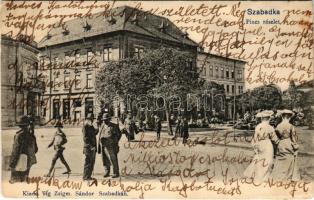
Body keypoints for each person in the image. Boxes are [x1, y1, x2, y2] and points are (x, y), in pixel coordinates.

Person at [243, 110, 279, 184]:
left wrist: (255, 146)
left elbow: (255, 137)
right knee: (268, 160)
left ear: (262, 119)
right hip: (267, 144)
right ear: (268, 118)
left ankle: (257, 175)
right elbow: (274, 138)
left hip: (260, 143)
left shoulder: (258, 126)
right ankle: (264, 176)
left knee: (259, 159)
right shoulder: (270, 127)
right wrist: (279, 142)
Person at [271, 109, 300, 181]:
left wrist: (278, 142)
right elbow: (293, 137)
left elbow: (276, 137)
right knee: (289, 158)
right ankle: (288, 175)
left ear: (282, 117)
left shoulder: (278, 126)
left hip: (281, 143)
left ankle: (278, 174)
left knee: (280, 158)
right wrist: (295, 146)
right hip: (288, 143)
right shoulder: (291, 126)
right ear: (289, 117)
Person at [9, 115, 37, 183]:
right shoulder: (31, 135)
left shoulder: (19, 135)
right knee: (25, 179)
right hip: (29, 161)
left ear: (20, 126)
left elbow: (16, 150)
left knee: (17, 182)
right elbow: (35, 150)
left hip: (19, 161)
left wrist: (12, 163)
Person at [99, 113, 122, 178]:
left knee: (113, 159)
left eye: (106, 120)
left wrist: (114, 142)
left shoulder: (114, 126)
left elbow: (119, 135)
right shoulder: (102, 125)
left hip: (111, 146)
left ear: (109, 119)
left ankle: (116, 172)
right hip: (103, 145)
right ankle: (107, 171)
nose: (104, 121)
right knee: (105, 159)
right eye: (103, 120)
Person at [82, 113, 99, 181]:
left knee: (92, 162)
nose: (91, 121)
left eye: (92, 119)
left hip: (93, 148)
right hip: (88, 148)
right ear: (87, 120)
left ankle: (89, 176)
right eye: (90, 119)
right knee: (88, 162)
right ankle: (85, 177)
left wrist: (97, 127)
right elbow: (85, 138)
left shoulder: (91, 126)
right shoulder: (85, 127)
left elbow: (95, 133)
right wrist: (91, 146)